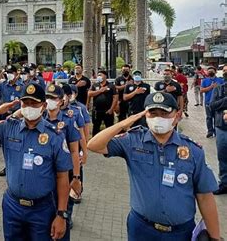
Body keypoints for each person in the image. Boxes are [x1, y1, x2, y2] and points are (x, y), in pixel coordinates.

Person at [88, 92, 220, 241]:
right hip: (141, 228)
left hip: (180, 232)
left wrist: (215, 237)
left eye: (164, 113)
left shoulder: (192, 150)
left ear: (177, 116)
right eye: (153, 113)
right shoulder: (133, 141)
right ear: (145, 115)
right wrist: (124, 123)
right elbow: (93, 145)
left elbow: (204, 197)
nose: (159, 118)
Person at [0, 83, 71, 241]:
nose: (29, 107)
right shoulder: (9, 127)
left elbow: (63, 177)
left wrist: (61, 214)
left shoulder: (55, 136)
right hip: (13, 205)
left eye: (34, 103)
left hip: (42, 208)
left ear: (43, 106)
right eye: (25, 103)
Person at [43, 83, 82, 236]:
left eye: (53, 98)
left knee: (64, 201)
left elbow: (74, 150)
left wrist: (76, 176)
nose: (49, 101)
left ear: (60, 100)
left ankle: (66, 217)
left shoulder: (68, 119)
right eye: (47, 97)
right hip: (45, 169)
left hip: (65, 170)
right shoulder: (40, 117)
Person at [207, 64, 227, 195]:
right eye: (225, 71)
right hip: (222, 127)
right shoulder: (219, 88)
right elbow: (212, 105)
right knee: (223, 155)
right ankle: (224, 183)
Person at [88, 70, 118, 136]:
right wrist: (100, 91)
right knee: (96, 127)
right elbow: (89, 94)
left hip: (107, 111)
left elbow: (115, 98)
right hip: (97, 110)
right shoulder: (95, 85)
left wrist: (111, 109)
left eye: (100, 75)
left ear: (105, 76)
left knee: (109, 128)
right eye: (98, 75)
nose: (99, 76)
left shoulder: (111, 86)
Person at [200, 66, 224, 138]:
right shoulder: (204, 80)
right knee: (209, 117)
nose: (210, 72)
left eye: (212, 71)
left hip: (218, 103)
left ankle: (217, 132)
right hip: (208, 102)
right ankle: (210, 131)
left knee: (217, 117)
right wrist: (211, 87)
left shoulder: (220, 80)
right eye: (209, 71)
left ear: (215, 72)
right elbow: (201, 90)